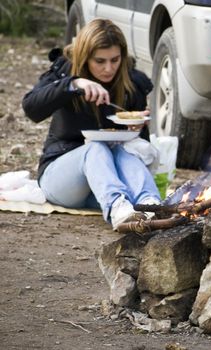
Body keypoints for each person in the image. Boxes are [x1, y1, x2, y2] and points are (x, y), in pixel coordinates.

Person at [22, 18, 161, 230]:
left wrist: (136, 130)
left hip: (103, 187)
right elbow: (31, 108)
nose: (108, 68)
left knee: (127, 151)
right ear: (85, 58)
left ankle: (152, 206)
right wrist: (73, 83)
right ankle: (118, 209)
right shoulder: (66, 71)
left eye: (115, 60)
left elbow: (141, 150)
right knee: (96, 148)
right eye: (100, 61)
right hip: (62, 180)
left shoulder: (131, 83)